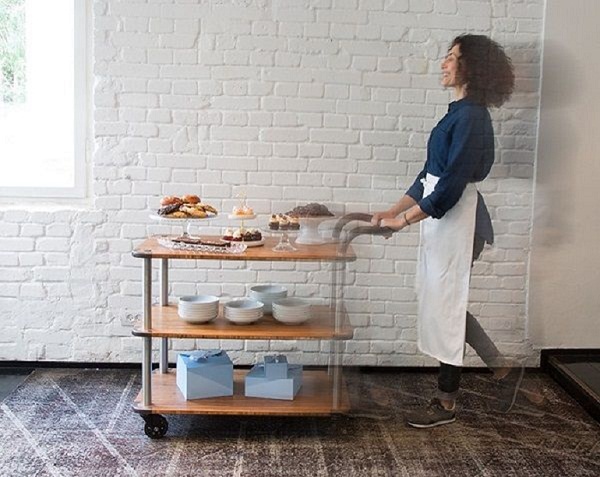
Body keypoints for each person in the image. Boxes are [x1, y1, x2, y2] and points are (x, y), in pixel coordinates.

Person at [371, 34, 521, 428]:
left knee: (448, 304)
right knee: (443, 303)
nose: (444, 63)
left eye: (452, 57)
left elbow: (451, 185)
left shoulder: (472, 117)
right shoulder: (456, 113)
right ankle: (504, 371)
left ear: (471, 67)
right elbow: (429, 175)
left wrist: (404, 221)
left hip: (462, 222)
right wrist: (393, 210)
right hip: (444, 219)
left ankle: (446, 403)